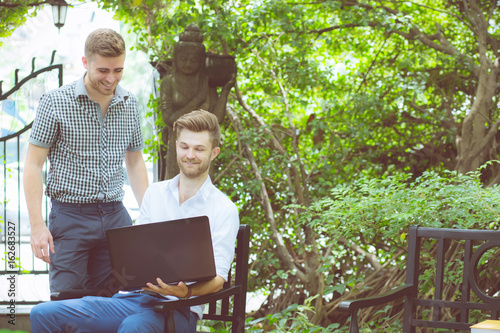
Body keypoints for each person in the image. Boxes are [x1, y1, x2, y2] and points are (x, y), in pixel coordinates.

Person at [30, 110, 240, 333]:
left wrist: (185, 293)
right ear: (176, 146)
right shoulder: (155, 194)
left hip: (178, 310)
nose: (190, 155)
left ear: (214, 153)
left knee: (134, 326)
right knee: (43, 314)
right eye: (185, 147)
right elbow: (138, 253)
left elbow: (218, 279)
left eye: (199, 149)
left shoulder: (223, 208)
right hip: (131, 300)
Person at [24, 28, 149, 293]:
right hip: (70, 217)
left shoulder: (129, 102)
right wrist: (37, 225)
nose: (111, 78)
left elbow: (135, 162)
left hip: (116, 217)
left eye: (118, 70)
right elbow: (33, 165)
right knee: (67, 306)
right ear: (85, 62)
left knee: (114, 305)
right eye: (103, 70)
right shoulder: (55, 102)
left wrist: (150, 213)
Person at [159, 23, 235, 180]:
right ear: (176, 59)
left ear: (200, 61)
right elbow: (170, 119)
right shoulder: (168, 83)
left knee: (202, 191)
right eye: (183, 59)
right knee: (175, 189)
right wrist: (197, 99)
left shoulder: (206, 83)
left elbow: (216, 119)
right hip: (179, 144)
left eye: (193, 60)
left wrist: (225, 91)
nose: (187, 64)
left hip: (203, 146)